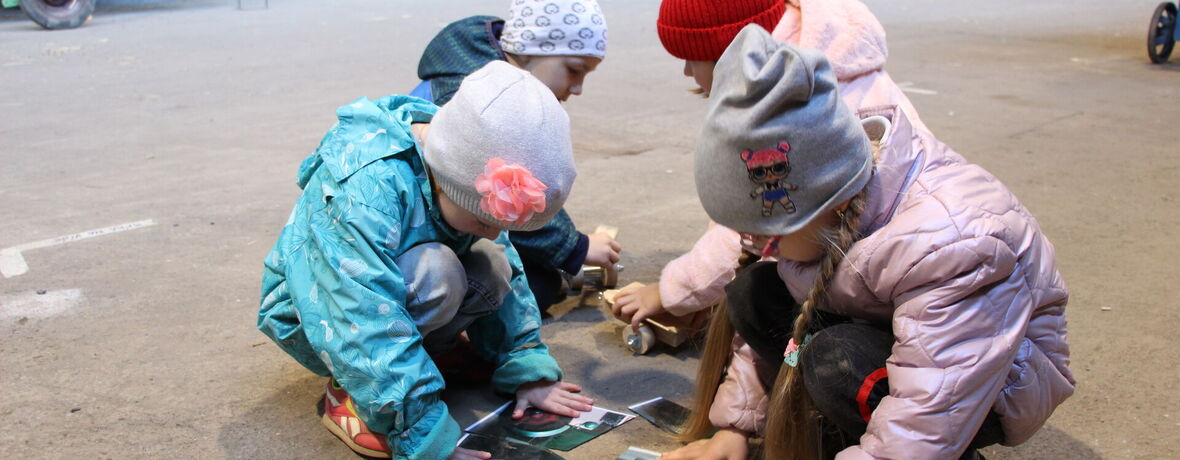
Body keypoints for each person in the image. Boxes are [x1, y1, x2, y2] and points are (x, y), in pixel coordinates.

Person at [661, 26, 1074, 460]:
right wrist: (735, 431)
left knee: (836, 362)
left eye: (767, 233)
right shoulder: (827, 206)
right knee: (754, 290)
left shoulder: (954, 244)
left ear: (829, 204)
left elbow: (932, 407)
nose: (755, 244)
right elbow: (787, 320)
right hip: (903, 332)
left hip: (990, 381)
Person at [257, 62, 594, 460]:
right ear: (447, 179)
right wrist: (422, 434)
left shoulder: (464, 167)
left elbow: (511, 276)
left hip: (386, 298)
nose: (490, 230)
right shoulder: (364, 190)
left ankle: (428, 354)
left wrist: (526, 367)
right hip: (321, 317)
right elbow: (361, 316)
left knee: (493, 260)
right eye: (483, 219)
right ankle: (351, 391)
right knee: (437, 271)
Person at [613, 0, 932, 335]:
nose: (687, 72)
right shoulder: (817, 62)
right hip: (873, 259)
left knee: (756, 293)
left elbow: (748, 228)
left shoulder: (798, 110)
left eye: (692, 58)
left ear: (733, 55)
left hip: (880, 295)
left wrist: (674, 292)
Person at [413, 0, 620, 312]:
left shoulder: (495, 77)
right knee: (531, 288)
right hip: (427, 232)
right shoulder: (481, 102)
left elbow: (521, 187)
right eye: (574, 70)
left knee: (538, 280)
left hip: (457, 217)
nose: (577, 88)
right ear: (529, 49)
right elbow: (501, 204)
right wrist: (575, 247)